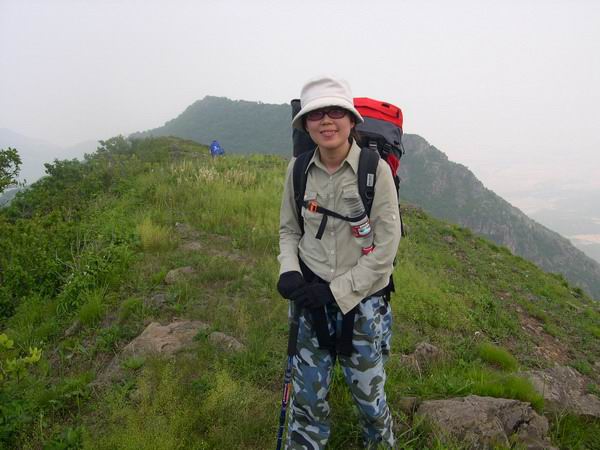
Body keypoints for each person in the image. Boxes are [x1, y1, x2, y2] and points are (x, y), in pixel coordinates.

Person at [277, 76, 402, 449]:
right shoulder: (298, 169)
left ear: (351, 119)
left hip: (363, 302)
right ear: (306, 124)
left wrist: (334, 291)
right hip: (309, 299)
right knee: (306, 399)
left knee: (370, 400)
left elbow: (385, 251)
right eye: (316, 114)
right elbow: (289, 230)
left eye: (335, 111)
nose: (326, 121)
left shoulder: (374, 170)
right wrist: (289, 271)